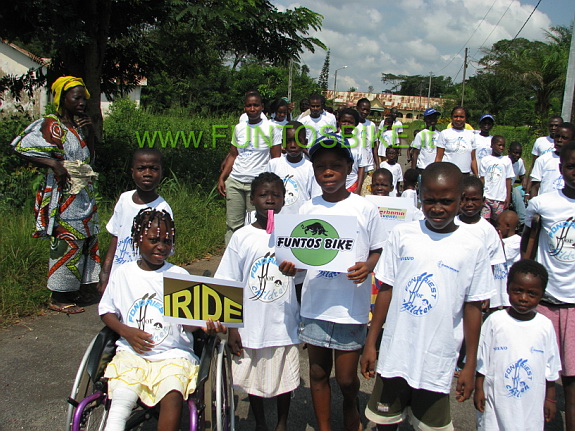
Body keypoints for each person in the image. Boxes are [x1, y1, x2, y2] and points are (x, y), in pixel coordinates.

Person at [361, 162, 493, 430]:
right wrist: (371, 342)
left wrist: (469, 364)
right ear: (420, 197)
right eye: (430, 200)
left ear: (460, 199)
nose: (437, 208)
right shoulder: (402, 234)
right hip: (395, 355)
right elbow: (386, 290)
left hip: (437, 360)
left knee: (431, 425)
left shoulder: (473, 247)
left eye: (446, 201)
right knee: (385, 422)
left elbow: (473, 307)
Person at [99, 208, 224, 431]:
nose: (161, 246)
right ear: (138, 239)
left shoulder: (178, 276)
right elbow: (106, 311)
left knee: (173, 393)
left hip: (173, 354)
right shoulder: (123, 274)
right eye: (153, 240)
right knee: (122, 395)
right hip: (132, 352)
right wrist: (126, 332)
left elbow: (188, 324)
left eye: (167, 241)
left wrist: (205, 326)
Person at [296, 134, 385, 431]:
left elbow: (378, 249)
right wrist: (290, 266)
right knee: (318, 374)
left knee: (346, 379)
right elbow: (298, 255)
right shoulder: (307, 209)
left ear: (349, 167)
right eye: (321, 166)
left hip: (350, 307)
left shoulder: (365, 208)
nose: (328, 172)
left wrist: (368, 266)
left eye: (335, 165)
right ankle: (324, 427)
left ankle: (351, 407)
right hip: (315, 305)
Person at [215, 173, 300, 431]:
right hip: (251, 325)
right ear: (252, 199)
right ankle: (261, 423)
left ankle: (282, 423)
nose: (270, 200)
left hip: (283, 323)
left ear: (284, 199)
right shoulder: (242, 237)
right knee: (253, 379)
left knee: (285, 378)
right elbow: (228, 281)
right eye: (263, 195)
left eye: (276, 195)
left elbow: (306, 273)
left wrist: (297, 270)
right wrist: (232, 327)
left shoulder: (294, 234)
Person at [11, 76, 99, 314]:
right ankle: (58, 297)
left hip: (83, 194)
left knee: (84, 241)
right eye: (76, 98)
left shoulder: (77, 127)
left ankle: (78, 289)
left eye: (84, 99)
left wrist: (90, 133)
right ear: (62, 98)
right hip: (64, 196)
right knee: (66, 241)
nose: (82, 103)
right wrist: (53, 164)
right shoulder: (52, 124)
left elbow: (89, 158)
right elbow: (20, 146)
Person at [522, 140, 575, 431]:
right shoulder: (543, 204)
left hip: (574, 306)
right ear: (561, 168)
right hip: (545, 302)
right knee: (539, 375)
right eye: (571, 166)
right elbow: (528, 245)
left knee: (572, 379)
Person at [474, 260, 561, 431]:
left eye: (531, 293)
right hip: (496, 401)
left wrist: (550, 399)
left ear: (542, 295)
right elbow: (482, 361)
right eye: (518, 291)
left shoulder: (545, 326)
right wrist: (479, 389)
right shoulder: (495, 321)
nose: (523, 298)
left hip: (530, 404)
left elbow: (551, 367)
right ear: (507, 288)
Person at [98, 148, 171, 292]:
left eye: (154, 168)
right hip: (118, 276)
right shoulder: (124, 199)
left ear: (161, 172)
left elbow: (163, 248)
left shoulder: (163, 209)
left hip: (142, 280)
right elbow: (115, 237)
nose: (147, 173)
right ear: (132, 172)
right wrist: (106, 271)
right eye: (141, 168)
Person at [217, 90, 281, 244]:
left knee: (258, 224)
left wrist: (275, 186)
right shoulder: (239, 128)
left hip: (258, 185)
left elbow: (276, 159)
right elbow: (233, 155)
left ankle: (258, 254)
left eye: (256, 105)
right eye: (249, 105)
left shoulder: (271, 128)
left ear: (262, 107)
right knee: (233, 226)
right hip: (235, 182)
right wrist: (223, 177)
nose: (252, 109)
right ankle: (232, 255)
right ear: (244, 107)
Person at [456, 176, 505, 310]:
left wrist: (486, 292)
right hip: (453, 283)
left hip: (476, 288)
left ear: (483, 201)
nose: (469, 204)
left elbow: (492, 263)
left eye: (474, 199)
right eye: (464, 199)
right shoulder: (451, 224)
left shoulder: (488, 230)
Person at [529, 122, 575, 198]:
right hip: (546, 203)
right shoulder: (542, 160)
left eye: (564, 138)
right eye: (556, 136)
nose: (559, 140)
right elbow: (535, 187)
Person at [479, 135, 515, 222]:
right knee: (485, 221)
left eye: (503, 145)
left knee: (498, 221)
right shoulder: (485, 160)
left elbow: (508, 179)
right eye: (499, 145)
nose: (501, 147)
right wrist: (481, 195)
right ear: (492, 145)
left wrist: (508, 197)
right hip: (487, 197)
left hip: (500, 198)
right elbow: (482, 179)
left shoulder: (506, 160)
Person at [490, 210, 522, 309]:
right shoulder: (497, 240)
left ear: (507, 226)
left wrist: (498, 239)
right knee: (494, 306)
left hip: (507, 284)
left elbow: (505, 253)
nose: (496, 228)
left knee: (508, 307)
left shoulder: (517, 240)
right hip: (496, 283)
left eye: (498, 225)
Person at [435, 106, 478, 175]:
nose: (458, 119)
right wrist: (436, 174)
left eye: (461, 117)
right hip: (448, 174)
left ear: (465, 118)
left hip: (465, 174)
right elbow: (438, 158)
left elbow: (473, 159)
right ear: (451, 118)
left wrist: (476, 176)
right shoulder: (444, 133)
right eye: (456, 116)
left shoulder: (471, 135)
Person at [338, 108, 370, 194]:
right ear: (339, 121)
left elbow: (362, 167)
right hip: (334, 185)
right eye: (344, 121)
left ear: (355, 124)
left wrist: (358, 188)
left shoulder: (360, 143)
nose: (346, 124)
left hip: (352, 184)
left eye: (350, 122)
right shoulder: (332, 139)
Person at [355, 98, 377, 171]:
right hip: (354, 166)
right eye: (363, 109)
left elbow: (374, 146)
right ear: (357, 108)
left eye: (367, 110)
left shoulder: (372, 125)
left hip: (369, 166)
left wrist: (377, 164)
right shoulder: (352, 124)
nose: (365, 112)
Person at [508, 141, 527, 225]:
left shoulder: (520, 162)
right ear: (509, 152)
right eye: (515, 153)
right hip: (505, 188)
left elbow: (523, 176)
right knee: (515, 191)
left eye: (519, 153)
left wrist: (525, 184)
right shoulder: (504, 162)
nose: (517, 155)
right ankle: (523, 221)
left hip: (512, 187)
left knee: (525, 192)